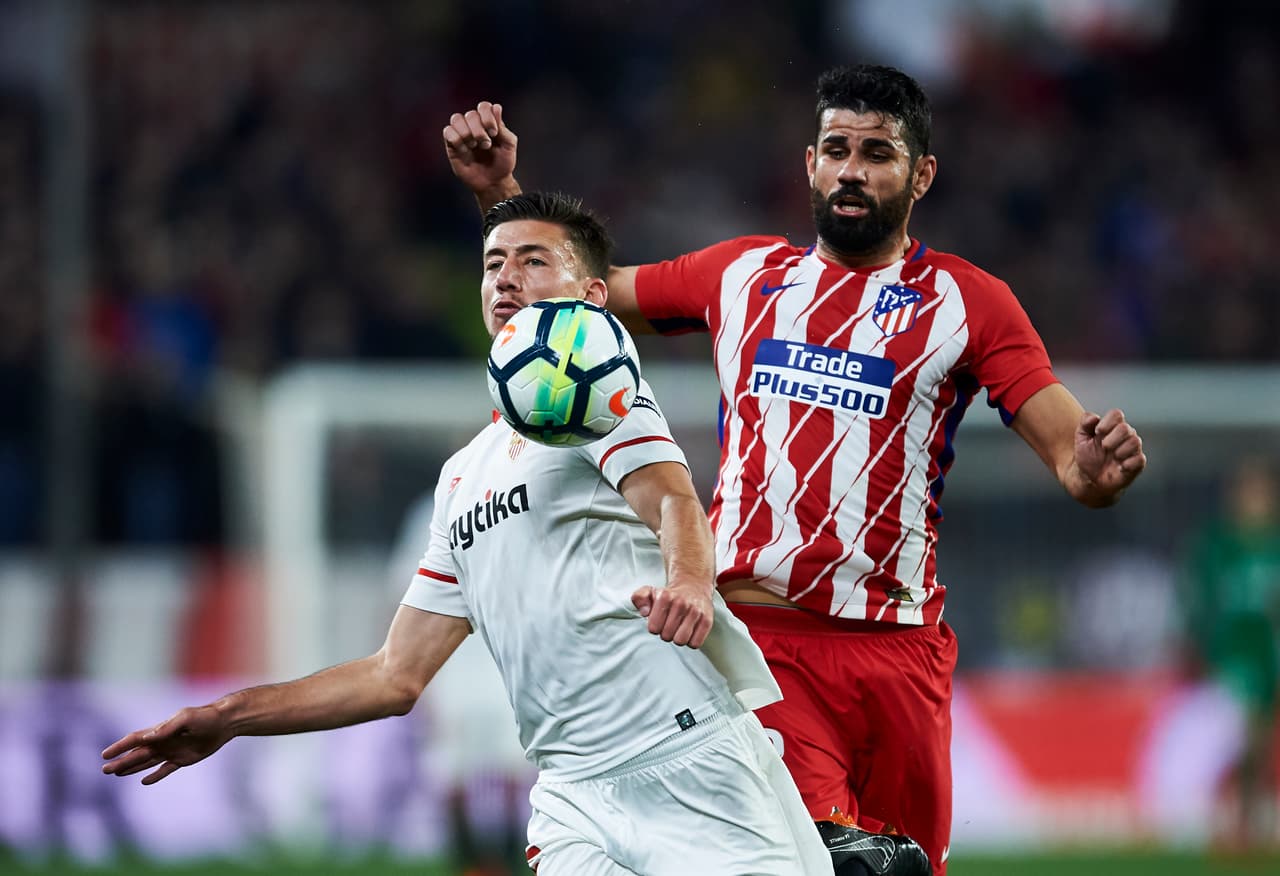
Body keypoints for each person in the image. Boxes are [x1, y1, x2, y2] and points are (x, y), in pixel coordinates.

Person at [444, 64, 1147, 876]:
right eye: (836, 149)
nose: (852, 170)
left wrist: (1099, 465)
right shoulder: (743, 276)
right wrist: (500, 196)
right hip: (767, 644)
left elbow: (1073, 457)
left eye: (877, 153)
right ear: (809, 163)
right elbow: (566, 306)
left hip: (901, 655)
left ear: (920, 176)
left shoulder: (968, 301)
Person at [102, 192, 833, 876]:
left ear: (592, 297)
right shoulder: (459, 480)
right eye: (492, 262)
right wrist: (230, 716)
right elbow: (394, 675)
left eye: (533, 260)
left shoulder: (598, 390)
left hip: (684, 758)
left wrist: (686, 581)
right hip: (570, 790)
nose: (506, 276)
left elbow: (674, 501)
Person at [1181, 456, 1280, 850]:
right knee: (1242, 737)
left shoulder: (1275, 545)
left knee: (1260, 743)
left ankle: (1249, 822)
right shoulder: (1218, 546)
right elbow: (1200, 602)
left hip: (1267, 653)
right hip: (1230, 654)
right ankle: (1238, 822)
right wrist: (1198, 648)